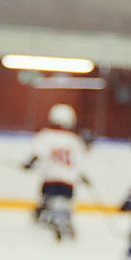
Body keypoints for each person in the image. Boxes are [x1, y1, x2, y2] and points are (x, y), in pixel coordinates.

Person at [24, 100, 85, 240]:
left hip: (51, 179)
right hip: (69, 181)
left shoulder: (45, 135)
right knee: (65, 201)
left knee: (48, 198)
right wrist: (81, 176)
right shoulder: (75, 140)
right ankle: (64, 218)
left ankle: (48, 215)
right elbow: (79, 163)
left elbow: (38, 155)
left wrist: (29, 164)